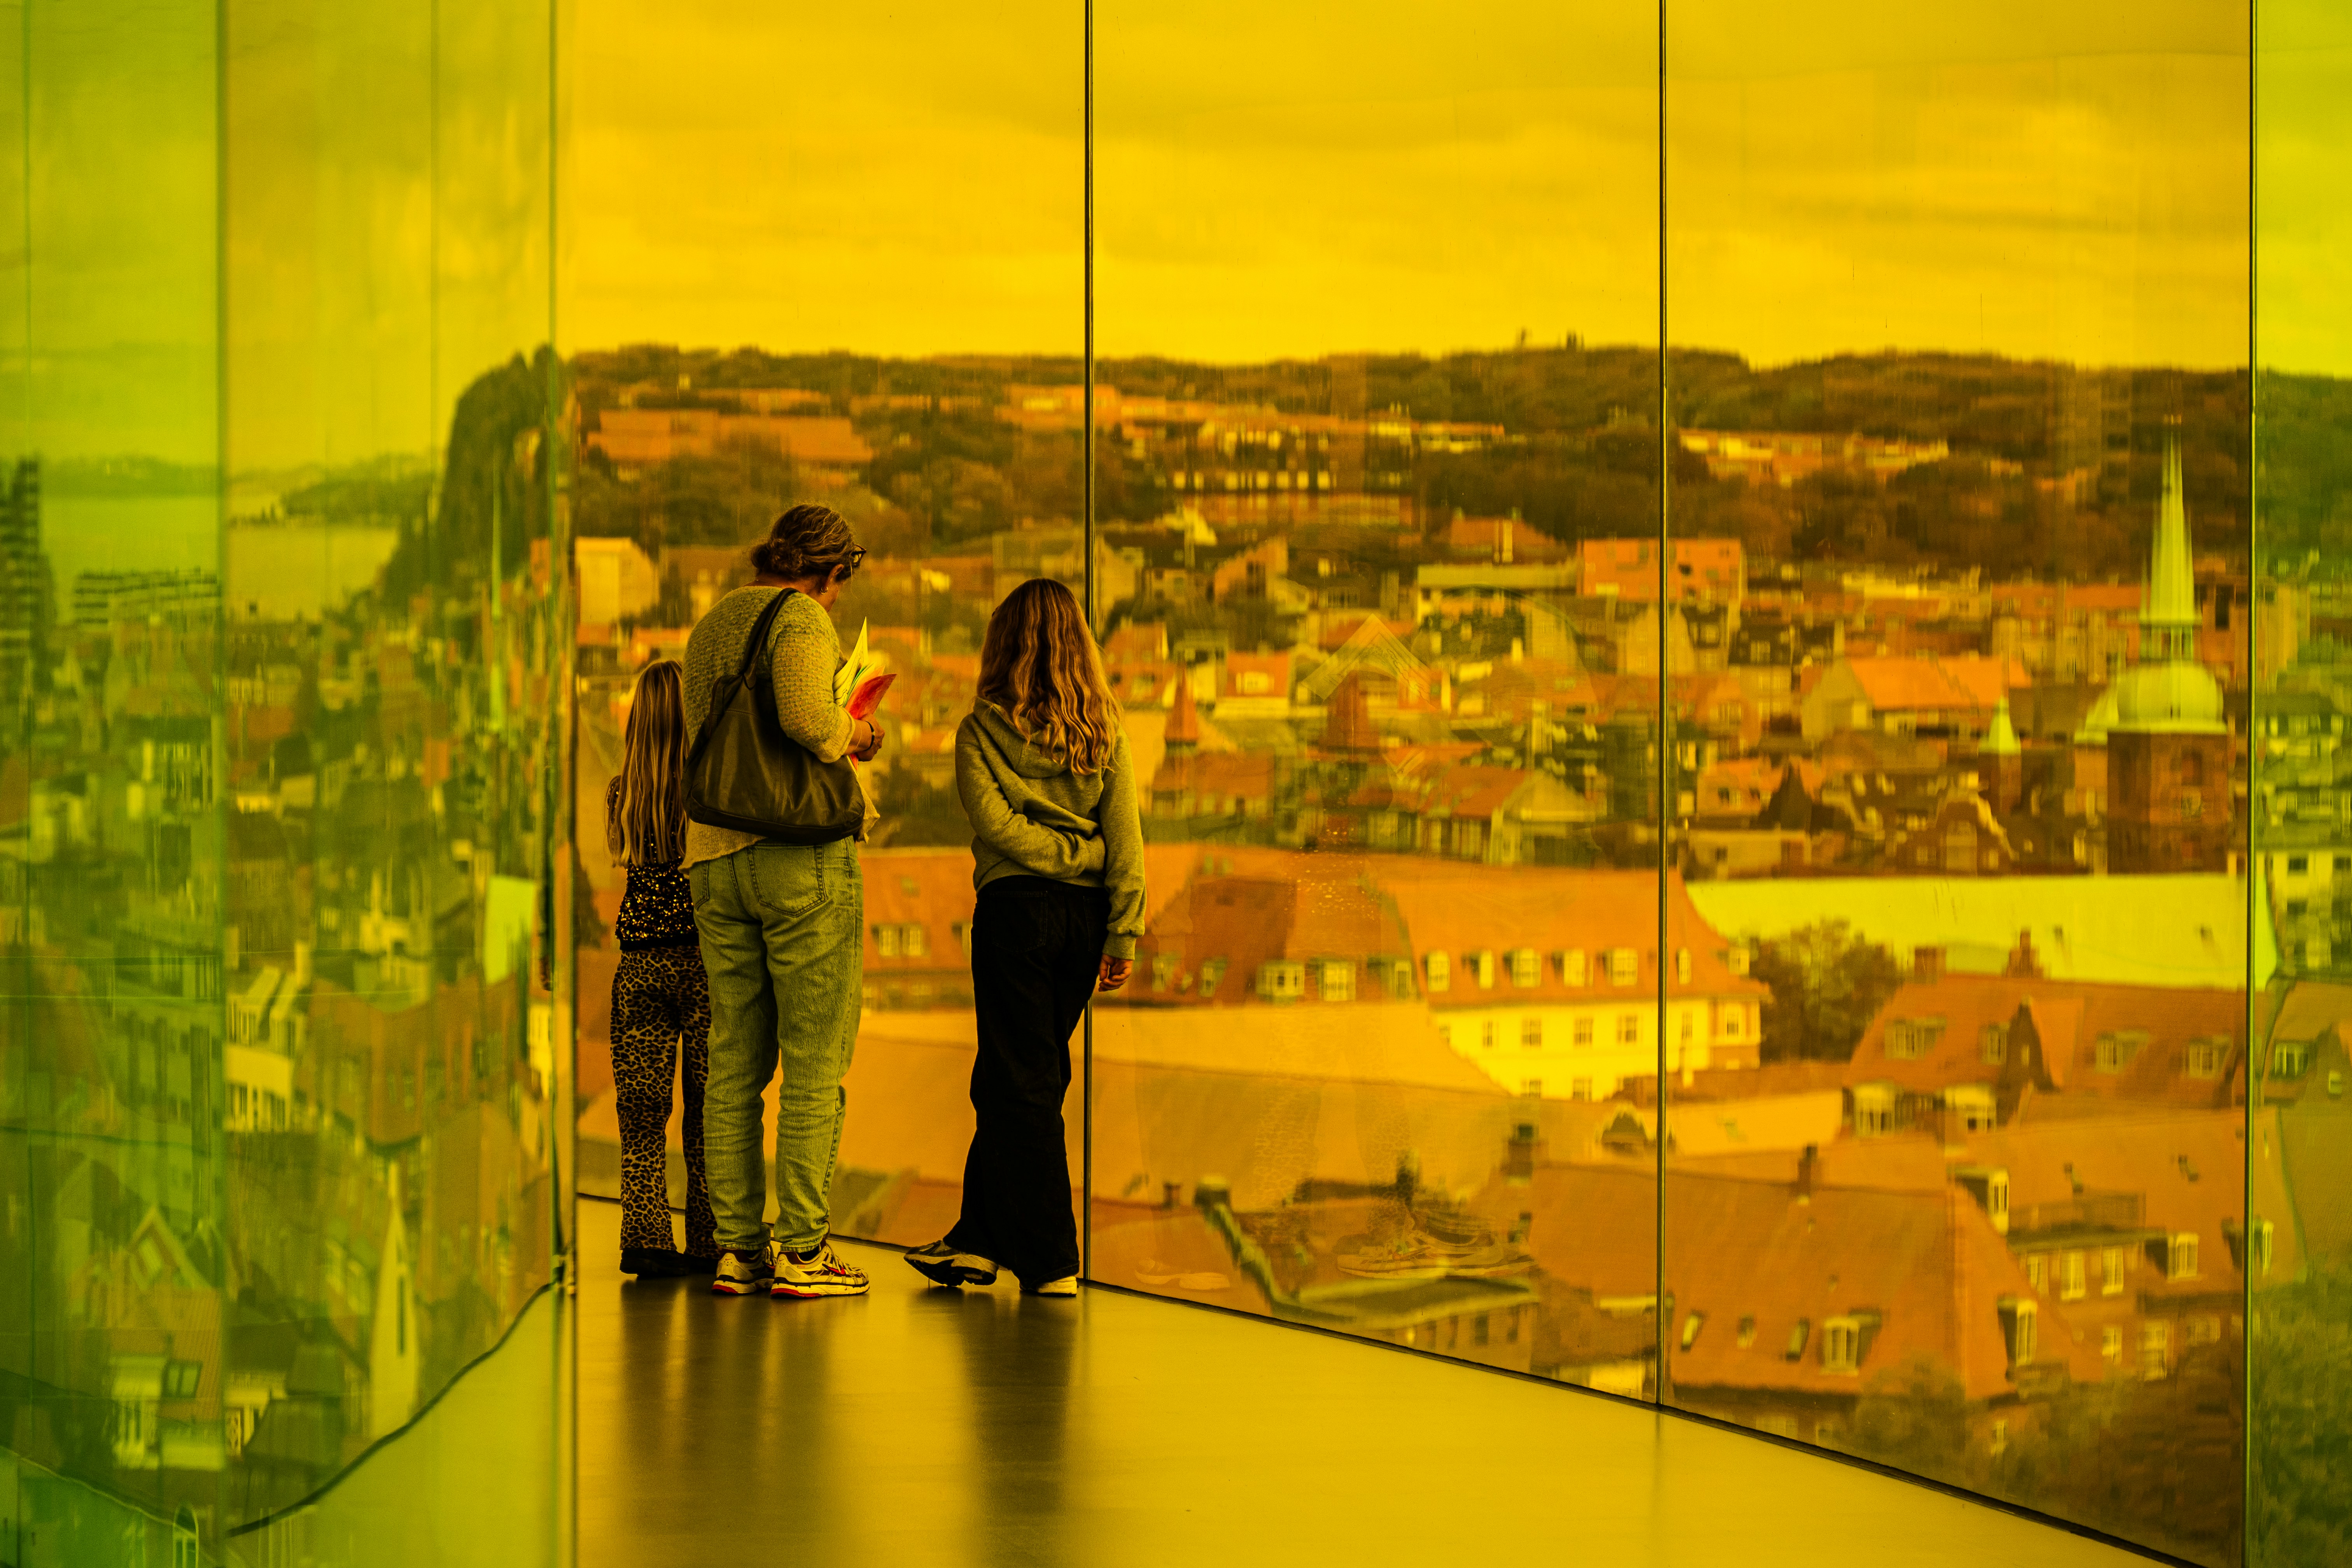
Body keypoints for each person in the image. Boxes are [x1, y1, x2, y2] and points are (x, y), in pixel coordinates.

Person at [906, 578, 1144, 1298]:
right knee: (1017, 1080)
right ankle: (976, 1242)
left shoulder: (981, 732)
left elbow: (995, 828)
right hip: (1084, 922)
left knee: (1023, 1083)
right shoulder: (1106, 730)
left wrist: (1061, 860)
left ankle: (1052, 1261)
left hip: (1014, 915)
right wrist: (1122, 928)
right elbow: (1125, 842)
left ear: (1001, 645)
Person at [682, 504, 884, 1300]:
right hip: (795, 856)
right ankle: (804, 1249)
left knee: (734, 1057)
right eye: (839, 588)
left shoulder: (711, 625)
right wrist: (859, 735)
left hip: (713, 854)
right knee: (815, 1057)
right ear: (830, 572)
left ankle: (739, 1249)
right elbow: (806, 718)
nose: (835, 602)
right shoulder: (799, 617)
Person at [604, 659, 717, 1278]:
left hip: (639, 966)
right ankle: (708, 1239)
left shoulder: (622, 792)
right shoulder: (705, 788)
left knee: (642, 1116)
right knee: (706, 1110)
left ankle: (643, 1236)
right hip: (702, 962)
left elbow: (620, 855)